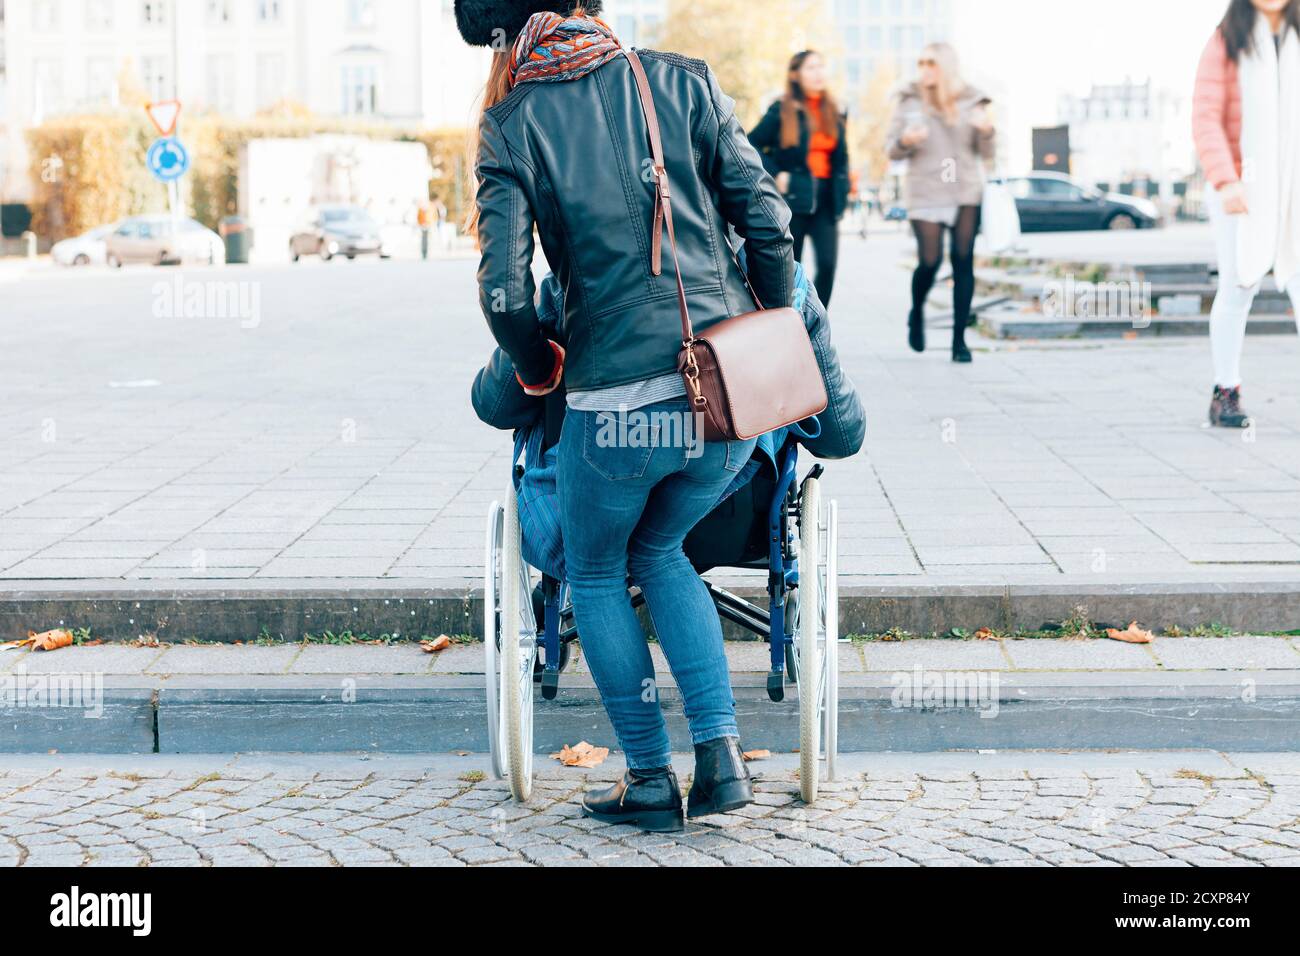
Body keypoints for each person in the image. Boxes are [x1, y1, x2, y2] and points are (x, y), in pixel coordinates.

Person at [458, 0, 797, 831]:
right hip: (720, 406)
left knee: (600, 568)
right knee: (662, 547)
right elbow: (769, 224)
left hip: (612, 408)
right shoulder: (683, 81)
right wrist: (767, 333)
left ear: (505, 37)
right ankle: (720, 761)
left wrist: (541, 371)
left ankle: (650, 779)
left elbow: (505, 293)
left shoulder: (512, 123)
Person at [1193, 0, 1300, 427]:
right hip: (1242, 187)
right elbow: (1205, 116)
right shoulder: (1227, 39)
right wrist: (1226, 179)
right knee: (1240, 285)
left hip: (1294, 184)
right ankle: (1226, 391)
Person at [886, 42, 995, 363]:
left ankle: (959, 340)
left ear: (945, 66)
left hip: (964, 190)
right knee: (930, 261)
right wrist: (906, 140)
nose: (924, 70)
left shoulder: (973, 100)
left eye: (931, 63)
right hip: (925, 189)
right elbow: (891, 149)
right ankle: (916, 311)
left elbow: (986, 154)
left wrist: (987, 131)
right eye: (920, 63)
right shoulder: (908, 100)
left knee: (963, 261)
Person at [749, 51, 851, 307]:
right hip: (794, 198)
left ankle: (816, 320)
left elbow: (842, 157)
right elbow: (751, 144)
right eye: (811, 68)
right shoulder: (782, 109)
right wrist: (777, 173)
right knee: (792, 268)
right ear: (796, 75)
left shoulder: (835, 110)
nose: (819, 73)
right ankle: (792, 323)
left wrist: (844, 187)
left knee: (828, 265)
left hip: (827, 200)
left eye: (821, 66)